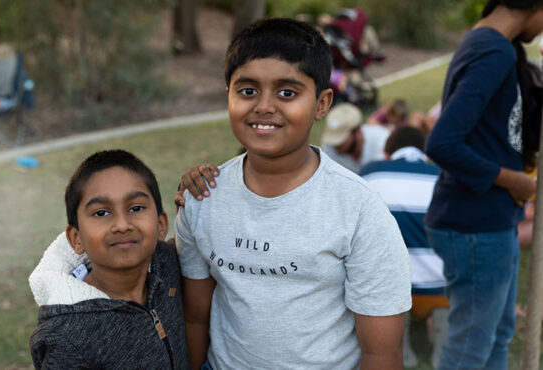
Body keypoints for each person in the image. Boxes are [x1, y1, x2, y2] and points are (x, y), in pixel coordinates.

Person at [176, 18, 411, 369]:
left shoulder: (359, 210)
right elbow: (195, 319)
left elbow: (381, 353)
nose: (264, 106)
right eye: (247, 90)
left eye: (287, 92)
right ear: (228, 95)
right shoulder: (202, 198)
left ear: (321, 103)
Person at [424, 1, 543, 369]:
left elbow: (489, 132)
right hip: (475, 225)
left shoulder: (496, 45)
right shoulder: (493, 51)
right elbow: (442, 143)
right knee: (469, 350)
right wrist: (512, 180)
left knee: (498, 335)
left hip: (491, 221)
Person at [28, 149, 190, 369]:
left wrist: (200, 186)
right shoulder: (67, 336)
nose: (122, 225)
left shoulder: (168, 264)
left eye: (136, 208)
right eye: (101, 213)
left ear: (161, 225)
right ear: (76, 239)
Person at [359, 126, 448, 368]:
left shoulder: (370, 173)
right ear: (424, 154)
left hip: (391, 291)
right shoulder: (443, 176)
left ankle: (400, 343)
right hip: (440, 289)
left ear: (387, 153)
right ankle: (443, 338)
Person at [321, 102, 390, 173]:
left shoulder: (383, 141)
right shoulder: (330, 145)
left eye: (341, 137)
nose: (336, 144)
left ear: (358, 131)